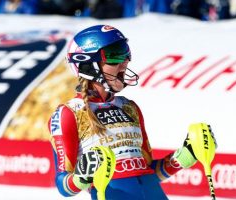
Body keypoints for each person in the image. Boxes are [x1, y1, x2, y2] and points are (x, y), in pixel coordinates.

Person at [48, 25, 215, 199]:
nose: (125, 61)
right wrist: (80, 177)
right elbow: (63, 185)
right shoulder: (68, 113)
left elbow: (148, 170)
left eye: (125, 53)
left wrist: (184, 156)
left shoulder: (129, 107)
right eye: (115, 55)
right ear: (88, 64)